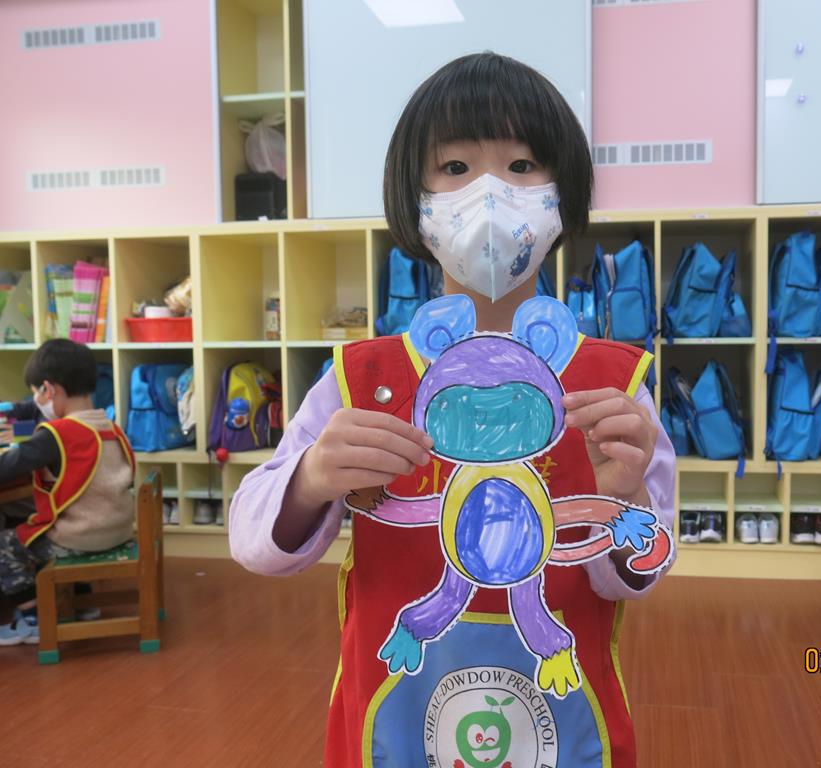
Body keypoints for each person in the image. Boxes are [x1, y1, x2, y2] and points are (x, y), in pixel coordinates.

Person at [230, 52, 676, 767]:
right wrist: (310, 479)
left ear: (564, 194)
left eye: (522, 166)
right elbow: (254, 541)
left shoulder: (613, 388)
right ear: (414, 196)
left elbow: (639, 574)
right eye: (456, 168)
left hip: (564, 722)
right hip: (395, 721)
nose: (489, 194)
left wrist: (623, 501)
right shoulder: (360, 381)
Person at [0, 339, 135, 646]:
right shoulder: (110, 426)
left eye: (36, 393)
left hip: (81, 539)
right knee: (51, 516)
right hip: (117, 531)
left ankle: (32, 618)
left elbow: (10, 465)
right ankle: (80, 600)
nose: (36, 401)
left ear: (49, 389)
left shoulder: (57, 434)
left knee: (6, 544)